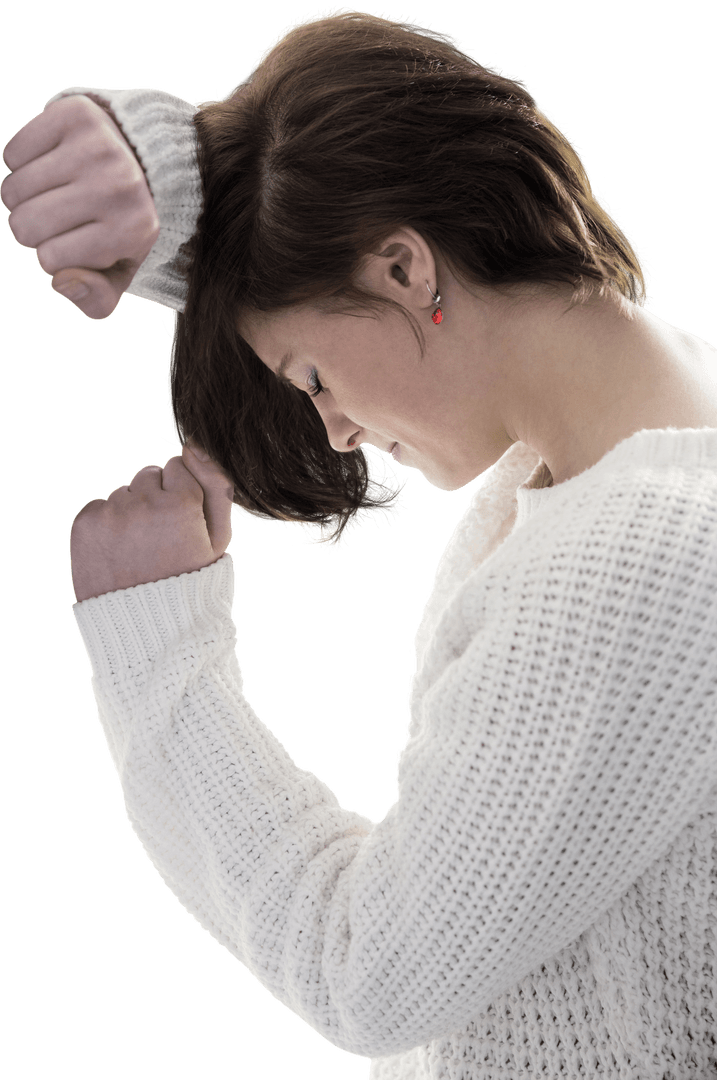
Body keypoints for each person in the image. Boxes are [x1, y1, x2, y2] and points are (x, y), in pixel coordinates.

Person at [3, 8, 717, 1077]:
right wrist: (201, 187)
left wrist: (160, 662)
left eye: (312, 377)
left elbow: (370, 973)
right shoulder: (609, 465)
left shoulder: (634, 560)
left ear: (402, 269)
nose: (334, 428)